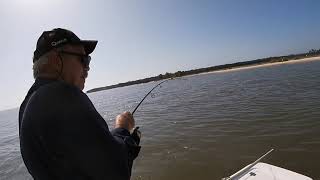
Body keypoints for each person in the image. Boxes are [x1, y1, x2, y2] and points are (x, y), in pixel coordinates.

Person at [18, 28, 141, 180]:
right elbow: (116, 170)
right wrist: (123, 128)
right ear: (56, 60)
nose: (87, 68)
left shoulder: (27, 105)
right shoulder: (61, 94)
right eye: (83, 60)